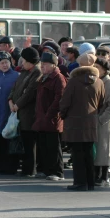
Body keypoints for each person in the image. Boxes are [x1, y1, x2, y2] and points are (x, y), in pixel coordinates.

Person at [59, 54, 105, 190]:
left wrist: (63, 114)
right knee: (89, 152)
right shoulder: (99, 82)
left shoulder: (73, 81)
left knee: (77, 153)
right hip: (91, 122)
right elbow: (102, 102)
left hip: (74, 122)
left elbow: (65, 102)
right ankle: (90, 182)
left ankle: (80, 182)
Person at [32, 52, 67, 181]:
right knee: (43, 146)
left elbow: (59, 99)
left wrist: (50, 114)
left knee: (54, 147)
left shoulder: (58, 78)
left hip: (53, 118)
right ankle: (45, 170)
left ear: (53, 65)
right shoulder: (43, 78)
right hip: (41, 118)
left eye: (45, 65)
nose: (42, 67)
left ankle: (57, 172)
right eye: (42, 64)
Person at [8, 47, 42, 177]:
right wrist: (10, 100)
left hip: (28, 113)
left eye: (25, 61)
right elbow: (14, 88)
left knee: (29, 142)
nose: (22, 63)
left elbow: (30, 93)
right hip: (17, 111)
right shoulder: (24, 72)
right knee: (22, 140)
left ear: (31, 61)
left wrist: (17, 105)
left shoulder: (36, 72)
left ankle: (30, 169)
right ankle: (24, 168)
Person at [93, 58, 110, 187]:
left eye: (98, 67)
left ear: (105, 69)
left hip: (105, 121)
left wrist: (101, 119)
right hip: (97, 120)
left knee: (105, 149)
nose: (95, 69)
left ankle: (104, 177)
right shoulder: (97, 81)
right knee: (98, 150)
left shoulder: (109, 83)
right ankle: (97, 175)